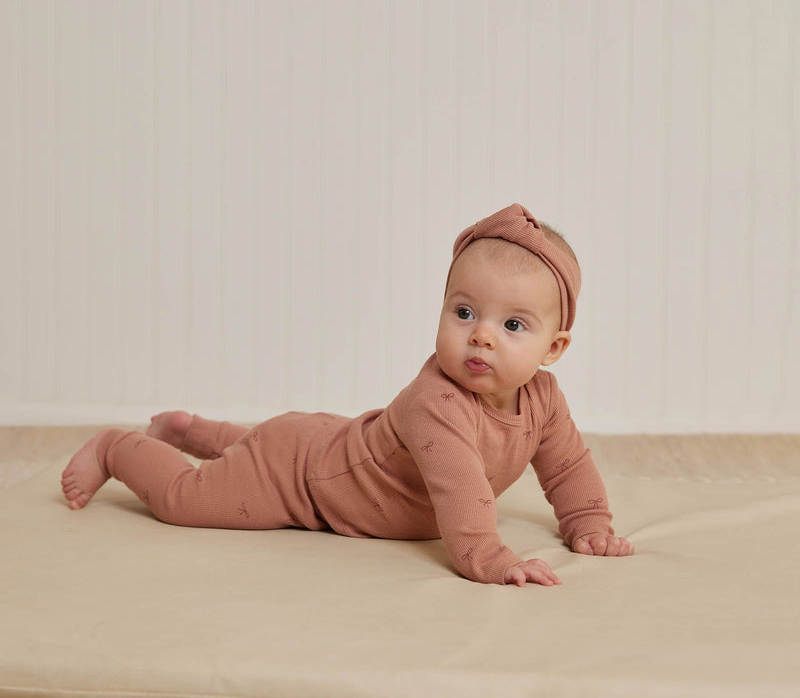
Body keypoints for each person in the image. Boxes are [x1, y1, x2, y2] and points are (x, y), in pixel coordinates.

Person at [61, 204, 633, 586]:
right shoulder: (436, 402)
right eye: (464, 312)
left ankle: (193, 432)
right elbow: (462, 493)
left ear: (554, 348)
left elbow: (567, 466)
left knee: (267, 443)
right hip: (304, 483)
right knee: (185, 499)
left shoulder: (545, 399)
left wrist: (588, 521)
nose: (481, 333)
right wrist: (490, 558)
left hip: (327, 445)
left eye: (514, 326)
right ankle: (117, 448)